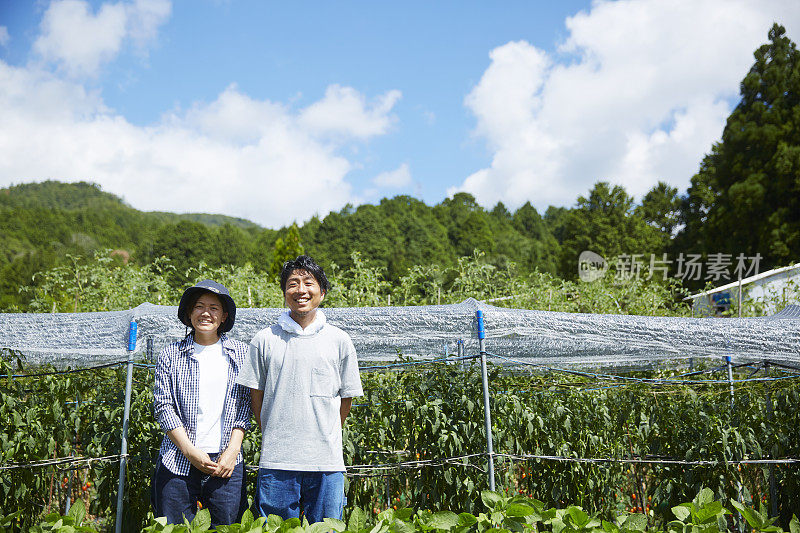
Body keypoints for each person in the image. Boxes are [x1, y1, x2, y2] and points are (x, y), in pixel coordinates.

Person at [236, 255, 363, 523]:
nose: (301, 290)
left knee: (326, 528)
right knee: (275, 528)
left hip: (326, 461)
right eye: (293, 283)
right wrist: (273, 430)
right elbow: (256, 395)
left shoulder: (339, 340)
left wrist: (324, 430)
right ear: (284, 293)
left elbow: (346, 399)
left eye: (309, 283)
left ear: (323, 292)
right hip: (277, 460)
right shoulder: (265, 339)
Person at [152, 280, 251, 526]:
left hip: (226, 463)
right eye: (199, 306)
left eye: (214, 308)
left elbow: (245, 406)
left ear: (225, 315)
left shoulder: (241, 354)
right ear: (189, 312)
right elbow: (164, 406)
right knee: (174, 529)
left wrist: (232, 451)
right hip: (178, 459)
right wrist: (189, 450)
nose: (206, 313)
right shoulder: (171, 354)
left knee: (227, 528)